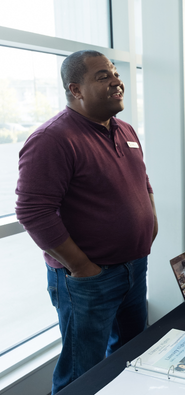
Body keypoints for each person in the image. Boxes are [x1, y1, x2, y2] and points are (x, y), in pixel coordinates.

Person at [15, 50, 158, 394]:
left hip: (134, 269)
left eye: (114, 73)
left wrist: (149, 226)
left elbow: (143, 182)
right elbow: (33, 210)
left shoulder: (125, 129)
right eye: (102, 76)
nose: (116, 81)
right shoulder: (53, 139)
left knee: (130, 355)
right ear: (75, 89)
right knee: (81, 373)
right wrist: (81, 267)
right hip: (90, 280)